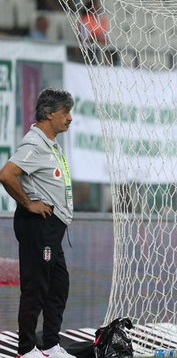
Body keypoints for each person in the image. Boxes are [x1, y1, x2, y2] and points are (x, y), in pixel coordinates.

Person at [0, 88, 75, 358]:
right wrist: (28, 203)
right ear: (48, 113)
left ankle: (50, 345)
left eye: (70, 112)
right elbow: (7, 174)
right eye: (65, 112)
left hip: (52, 226)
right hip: (38, 224)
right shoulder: (34, 144)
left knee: (58, 286)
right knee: (36, 287)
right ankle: (26, 348)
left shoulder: (50, 144)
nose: (70, 118)